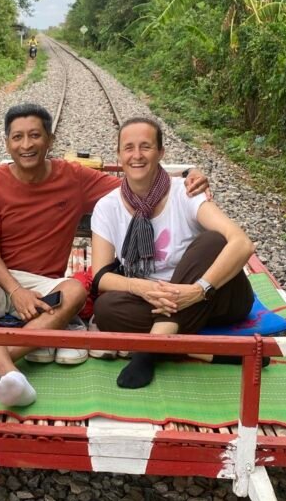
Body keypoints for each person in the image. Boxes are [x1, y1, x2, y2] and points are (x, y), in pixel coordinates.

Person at [0, 104, 209, 409]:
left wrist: (187, 175)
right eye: (18, 137)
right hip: (1, 279)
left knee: (76, 289)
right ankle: (8, 371)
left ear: (49, 139)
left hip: (47, 286)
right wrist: (16, 291)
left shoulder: (72, 177)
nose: (26, 145)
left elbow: (136, 183)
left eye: (35, 135)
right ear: (7, 142)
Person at [91, 116, 255, 390]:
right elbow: (100, 277)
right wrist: (141, 287)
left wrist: (197, 291)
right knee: (105, 309)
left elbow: (242, 243)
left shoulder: (186, 193)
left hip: (218, 297)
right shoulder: (107, 207)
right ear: (119, 155)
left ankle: (148, 350)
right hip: (158, 300)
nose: (137, 155)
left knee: (213, 241)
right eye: (129, 148)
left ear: (161, 153)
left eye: (146, 146)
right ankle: (198, 349)